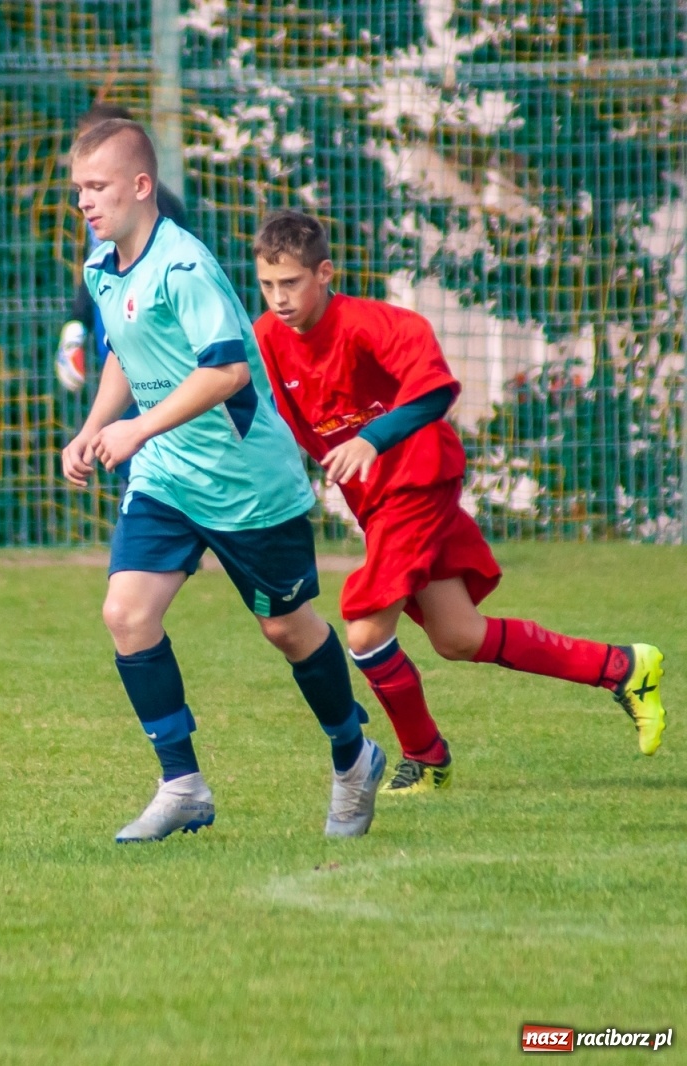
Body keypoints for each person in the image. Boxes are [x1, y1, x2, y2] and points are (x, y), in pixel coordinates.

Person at [250, 209, 667, 794]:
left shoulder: (376, 324)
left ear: (324, 272)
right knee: (458, 635)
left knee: (366, 631)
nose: (278, 297)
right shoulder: (265, 338)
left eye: (290, 283)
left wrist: (371, 438)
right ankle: (622, 667)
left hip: (418, 480)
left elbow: (437, 390)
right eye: (267, 285)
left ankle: (426, 758)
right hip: (376, 501)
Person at [60, 120, 386, 842]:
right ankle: (182, 785)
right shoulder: (102, 265)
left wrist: (137, 428)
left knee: (288, 630)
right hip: (168, 477)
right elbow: (126, 350)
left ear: (141, 187)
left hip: (246, 485)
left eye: (98, 187)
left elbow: (228, 369)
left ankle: (352, 755)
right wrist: (93, 428)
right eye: (79, 189)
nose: (84, 201)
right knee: (127, 613)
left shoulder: (183, 267)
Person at [54, 104, 188, 394]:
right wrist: (77, 323)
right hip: (117, 342)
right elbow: (97, 268)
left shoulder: (162, 215)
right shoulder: (100, 210)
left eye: (92, 146)